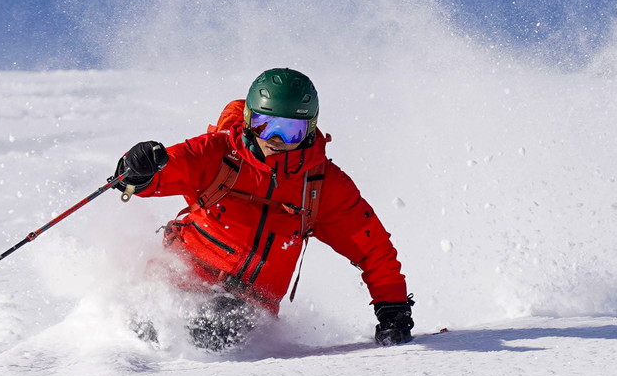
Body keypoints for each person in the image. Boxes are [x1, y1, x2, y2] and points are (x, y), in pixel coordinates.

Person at [115, 67, 414, 350]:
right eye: (264, 124)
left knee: (216, 331)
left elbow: (371, 247)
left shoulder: (322, 184)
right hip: (182, 278)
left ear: (310, 130)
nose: (276, 139)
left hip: (245, 309)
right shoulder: (217, 152)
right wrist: (136, 170)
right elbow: (154, 176)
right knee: (145, 326)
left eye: (291, 131)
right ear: (247, 120)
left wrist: (393, 308)